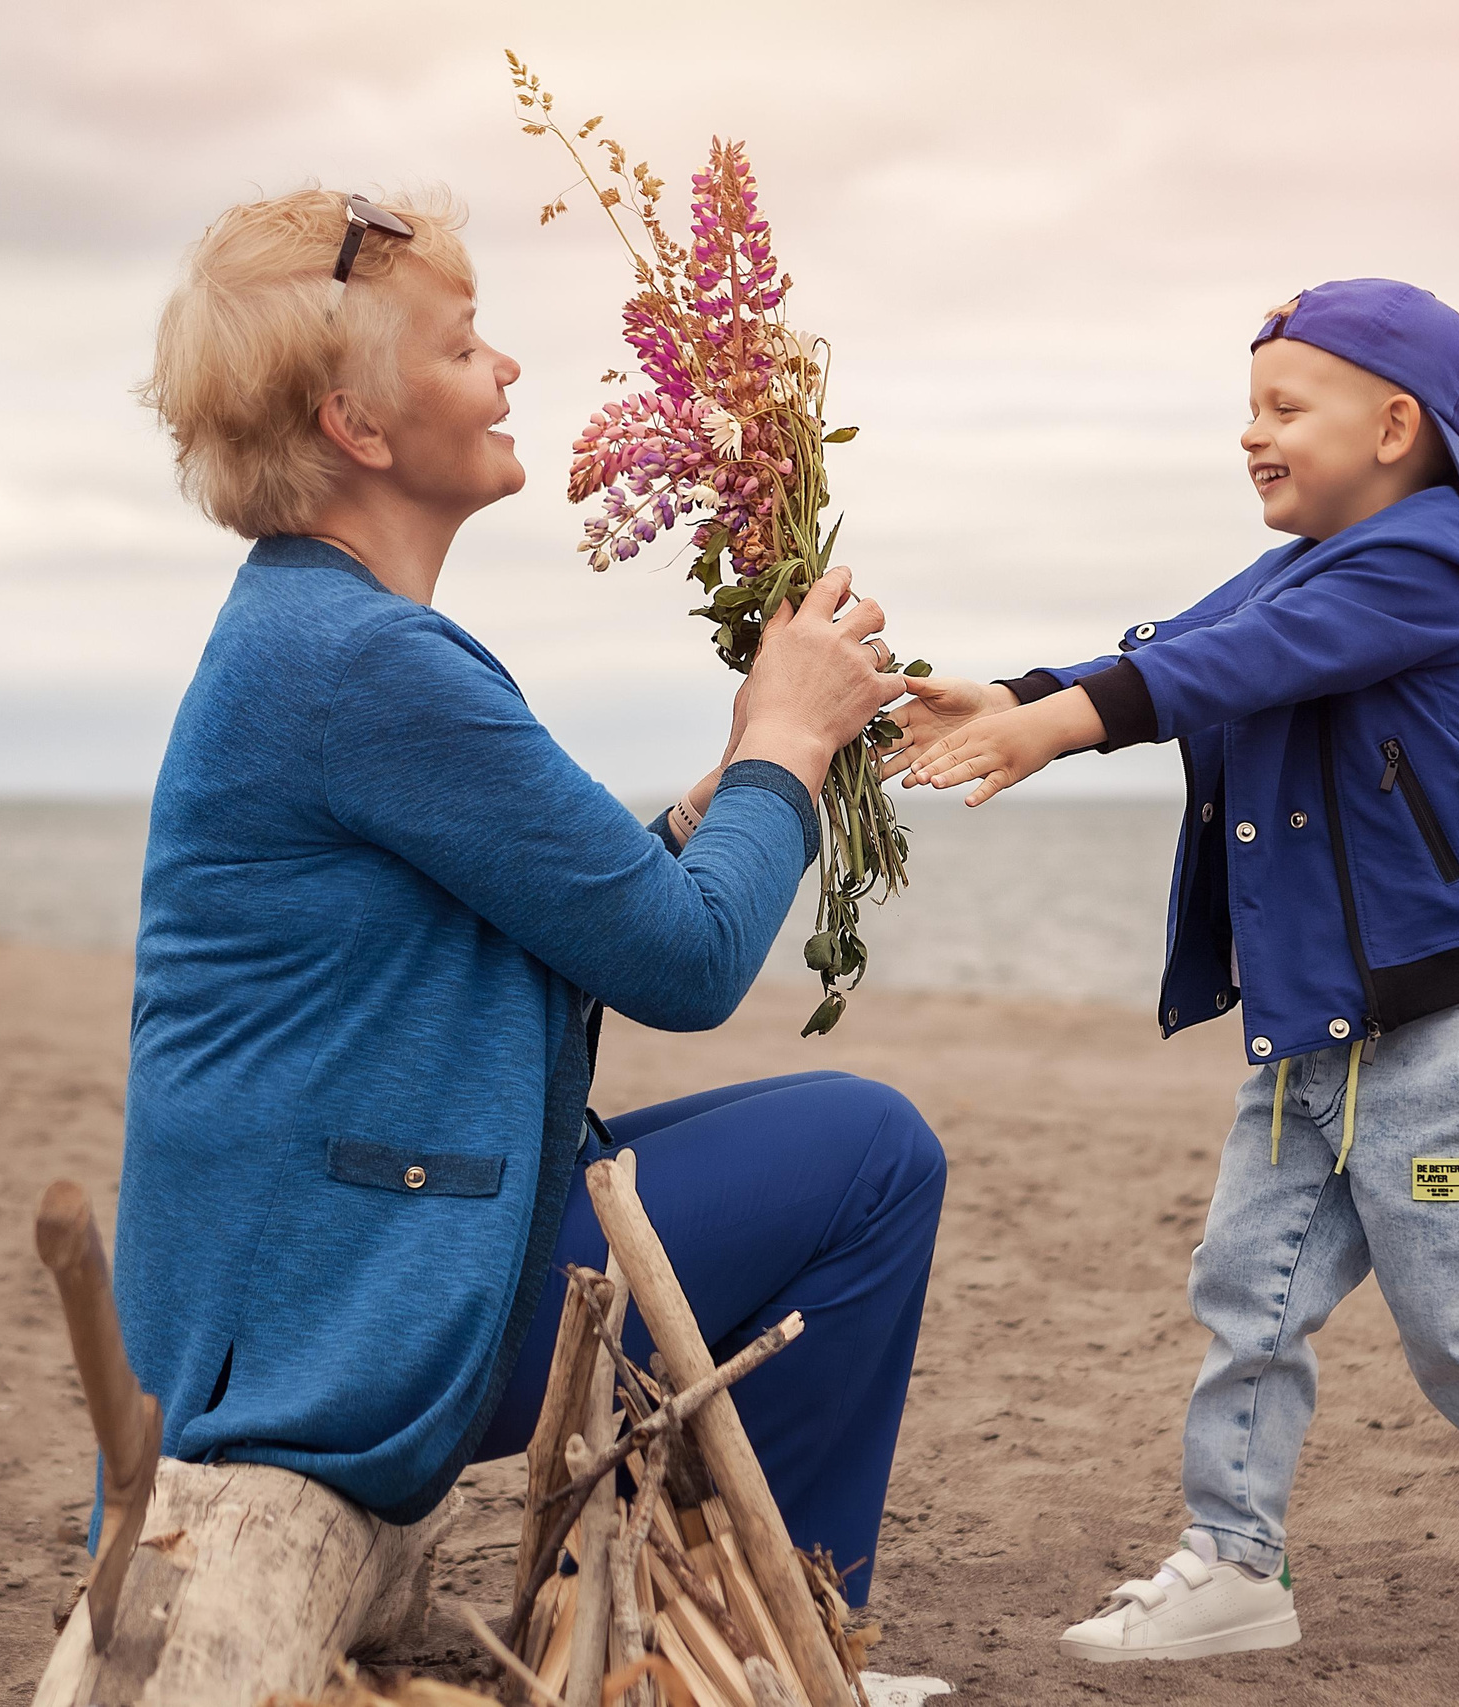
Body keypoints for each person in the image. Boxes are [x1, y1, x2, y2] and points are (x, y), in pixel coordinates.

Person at [110, 187, 944, 1607]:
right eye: (463, 347)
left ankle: (664, 1607)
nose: (505, 372)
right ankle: (781, 1629)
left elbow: (568, 902)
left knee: (824, 1137)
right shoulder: (366, 662)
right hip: (344, 1328)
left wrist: (731, 788)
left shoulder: (313, 634)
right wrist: (789, 749)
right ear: (358, 429)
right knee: (871, 1156)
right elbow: (682, 965)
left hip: (307, 1278)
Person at [890, 279, 1459, 1655]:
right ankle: (1235, 1563)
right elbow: (1183, 647)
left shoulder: (1424, 564)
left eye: (1284, 407)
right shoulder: (1304, 564)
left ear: (1394, 425)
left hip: (1447, 1039)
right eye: (1247, 408)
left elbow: (1245, 665)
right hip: (1319, 1031)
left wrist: (1060, 734)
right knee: (1246, 1289)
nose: (1252, 433)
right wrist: (1016, 696)